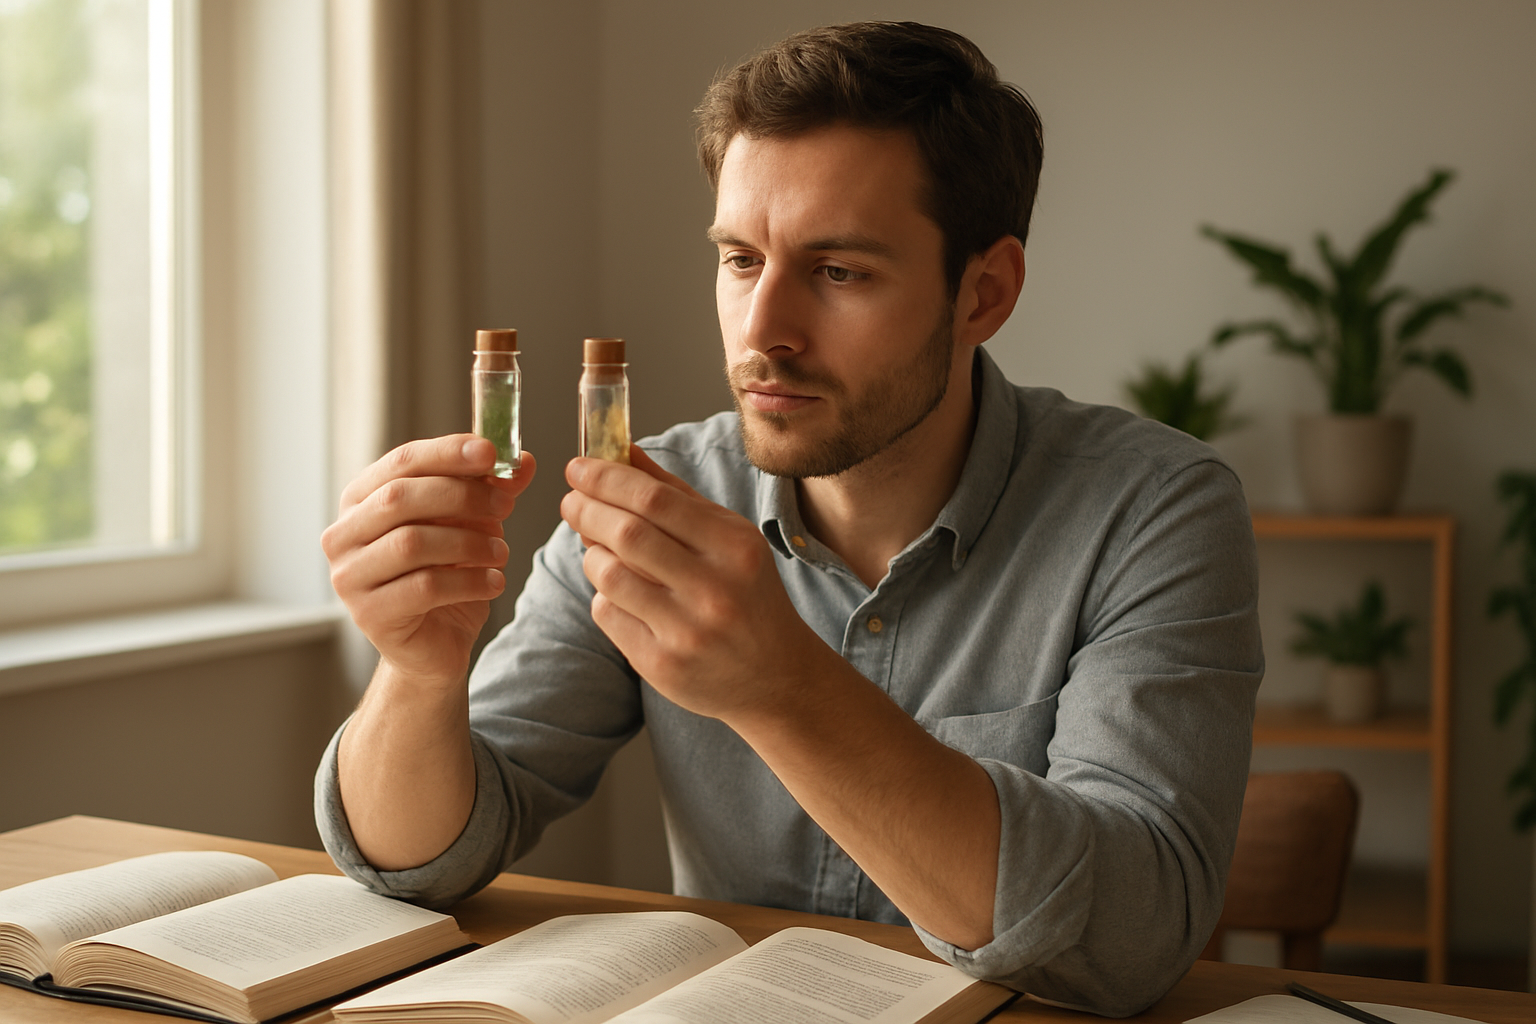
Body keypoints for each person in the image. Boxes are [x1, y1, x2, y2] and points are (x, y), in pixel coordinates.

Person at [315, 21, 1262, 1017]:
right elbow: (423, 857)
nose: (763, 331)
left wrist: (781, 688)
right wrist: (417, 674)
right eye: (739, 260)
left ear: (984, 293)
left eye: (838, 271)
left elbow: (1135, 935)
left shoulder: (1154, 509)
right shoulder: (659, 497)